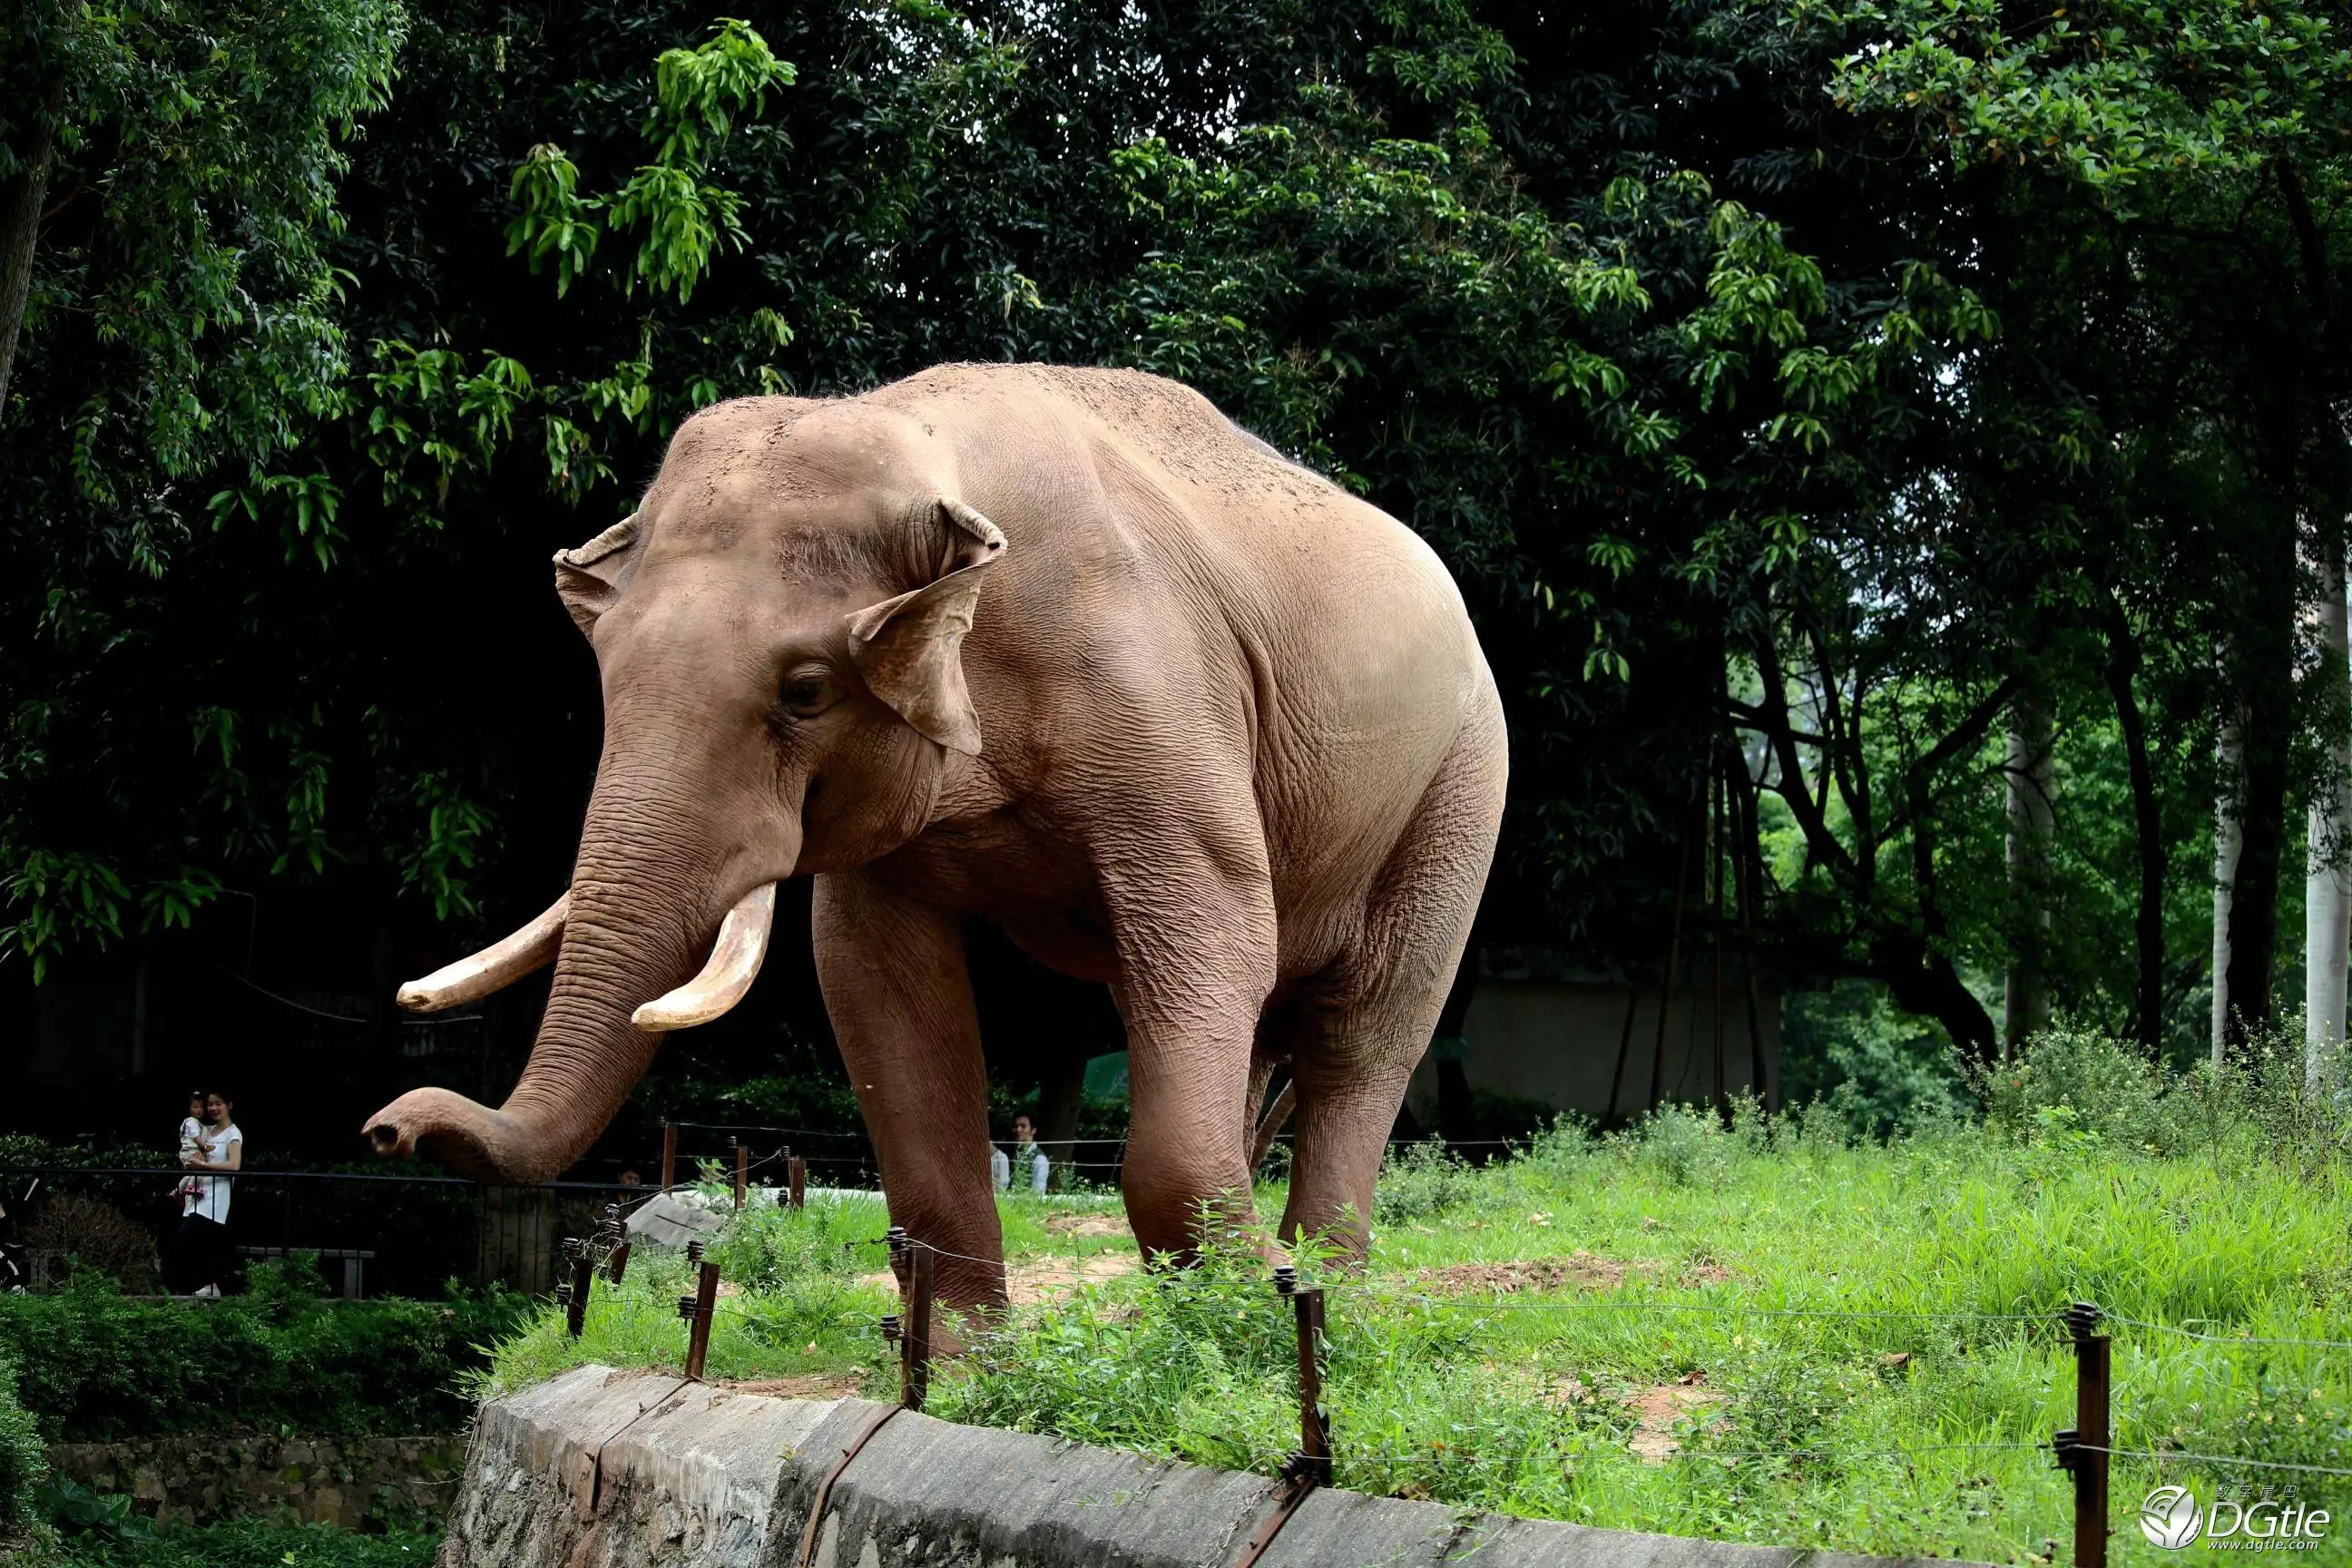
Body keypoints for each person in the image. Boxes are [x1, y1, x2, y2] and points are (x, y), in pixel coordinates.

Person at [172, 1091, 241, 1298]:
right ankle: (203, 1287)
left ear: (229, 1105)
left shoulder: (233, 1134)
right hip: (198, 1193)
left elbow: (234, 1165)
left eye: (218, 1103)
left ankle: (209, 1286)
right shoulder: (206, 1131)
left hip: (216, 1196)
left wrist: (203, 1164)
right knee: (196, 1241)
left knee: (190, 1237)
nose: (213, 1108)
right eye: (210, 1104)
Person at [991, 1113, 1050, 1196]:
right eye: (1016, 1126)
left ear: (1033, 1130)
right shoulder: (1016, 1153)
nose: (1018, 1130)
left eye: (1023, 1126)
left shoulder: (1039, 1159)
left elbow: (1038, 1193)